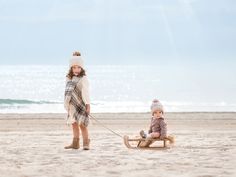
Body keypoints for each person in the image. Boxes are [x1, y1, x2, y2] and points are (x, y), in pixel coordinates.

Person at [64, 51, 91, 150]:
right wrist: (67, 103)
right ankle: (75, 143)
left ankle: (86, 143)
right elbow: (67, 91)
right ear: (71, 67)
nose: (76, 69)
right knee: (74, 123)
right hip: (72, 104)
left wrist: (88, 105)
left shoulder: (83, 78)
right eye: (74, 67)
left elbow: (86, 92)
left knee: (82, 124)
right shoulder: (68, 78)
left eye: (79, 67)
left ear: (82, 68)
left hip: (81, 104)